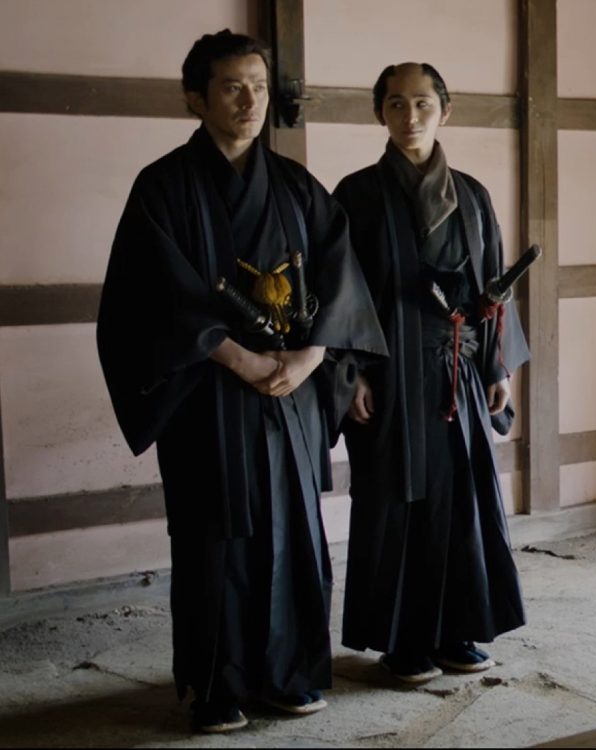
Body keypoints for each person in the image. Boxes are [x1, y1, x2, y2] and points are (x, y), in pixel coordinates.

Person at [96, 30, 386, 733]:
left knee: (293, 531)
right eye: (231, 87)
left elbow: (341, 278)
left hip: (292, 389)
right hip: (207, 392)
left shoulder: (295, 186)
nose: (249, 100)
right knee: (213, 537)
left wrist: (310, 358)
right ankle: (215, 685)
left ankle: (288, 674)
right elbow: (150, 297)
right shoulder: (162, 188)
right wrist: (235, 357)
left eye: (257, 86)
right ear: (196, 98)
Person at [333, 62, 529, 684]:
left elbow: (494, 285)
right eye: (396, 103)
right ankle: (403, 642)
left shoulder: (471, 195)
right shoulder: (356, 194)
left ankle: (456, 631)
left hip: (457, 375)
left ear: (446, 109)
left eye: (422, 103)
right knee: (395, 504)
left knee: (460, 502)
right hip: (389, 377)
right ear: (380, 113)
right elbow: (339, 294)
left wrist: (496, 364)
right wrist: (351, 375)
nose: (410, 115)